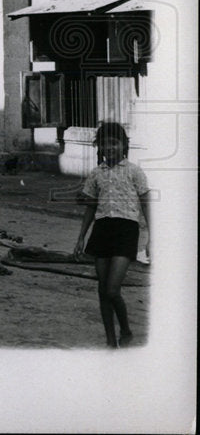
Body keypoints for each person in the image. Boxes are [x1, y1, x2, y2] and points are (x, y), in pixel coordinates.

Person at [75, 121, 151, 348]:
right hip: (102, 231)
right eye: (104, 144)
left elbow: (146, 205)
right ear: (99, 147)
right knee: (102, 289)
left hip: (126, 231)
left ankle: (126, 330)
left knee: (112, 289)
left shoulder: (135, 172)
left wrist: (152, 239)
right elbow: (90, 207)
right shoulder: (96, 174)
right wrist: (81, 237)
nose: (109, 148)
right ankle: (111, 341)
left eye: (114, 143)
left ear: (124, 145)